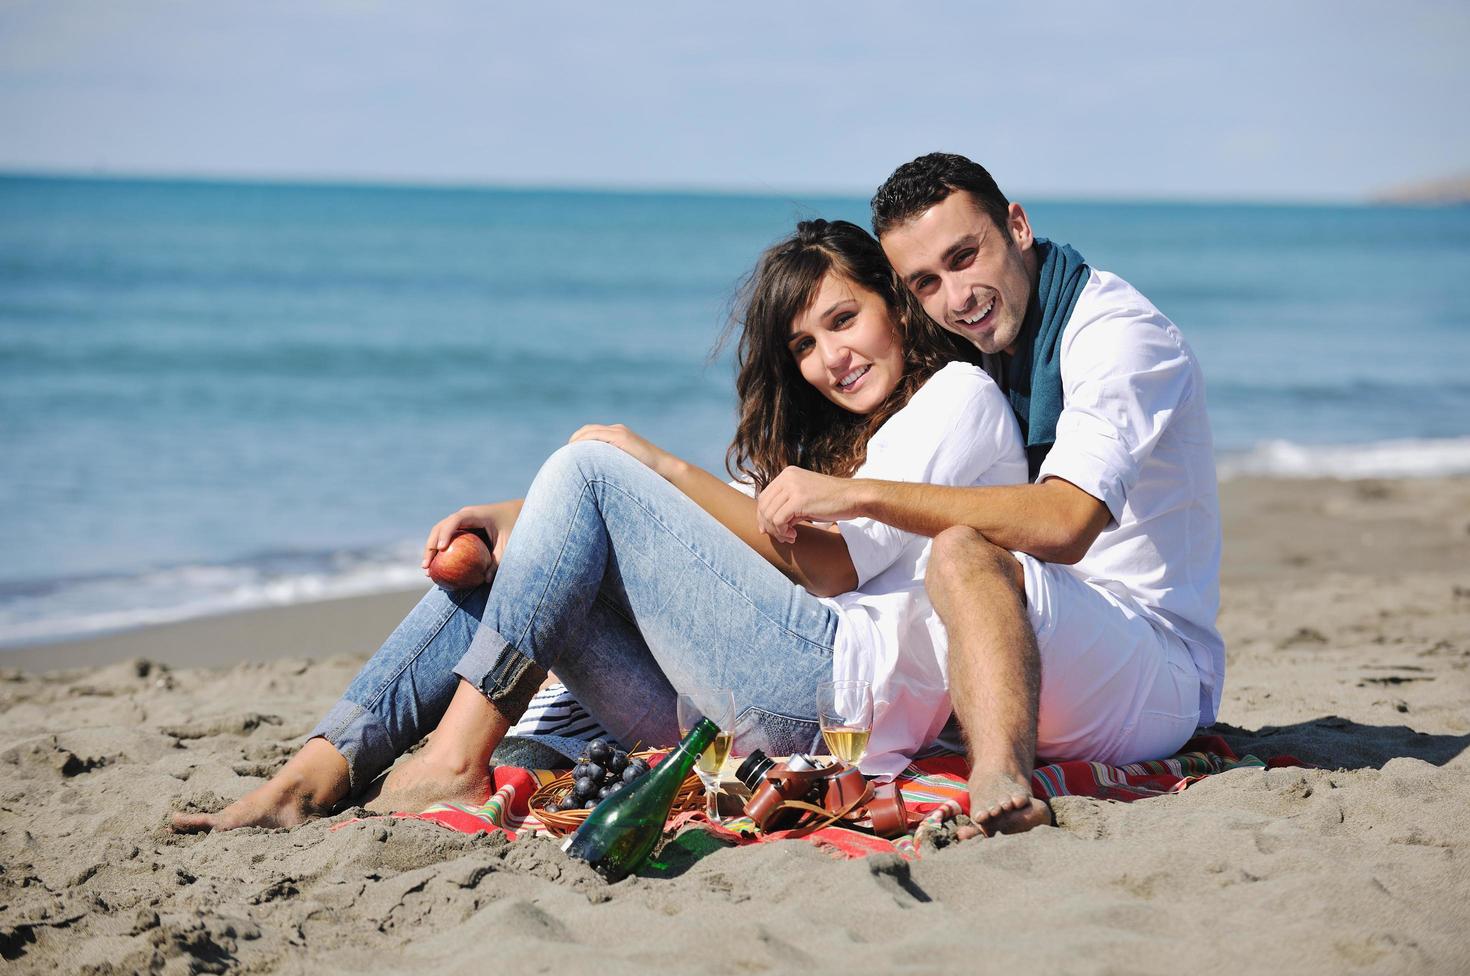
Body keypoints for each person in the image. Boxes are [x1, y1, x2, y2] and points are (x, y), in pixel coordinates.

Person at [170, 219, 1027, 833]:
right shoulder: (847, 439)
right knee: (518, 558)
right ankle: (316, 771)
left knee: (589, 469)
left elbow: (829, 568)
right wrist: (526, 521)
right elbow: (734, 551)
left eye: (844, 320)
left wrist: (656, 466)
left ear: (895, 304)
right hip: (730, 718)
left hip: (832, 702)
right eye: (803, 345)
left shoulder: (958, 398)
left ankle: (455, 761)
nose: (829, 357)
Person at [754, 153, 1224, 837]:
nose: (956, 296)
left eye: (965, 256)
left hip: (1151, 667)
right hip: (1036, 637)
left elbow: (1065, 523)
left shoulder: (1116, 336)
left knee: (960, 551)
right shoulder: (981, 339)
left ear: (1018, 226)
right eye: (926, 282)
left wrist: (859, 496)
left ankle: (1000, 778)